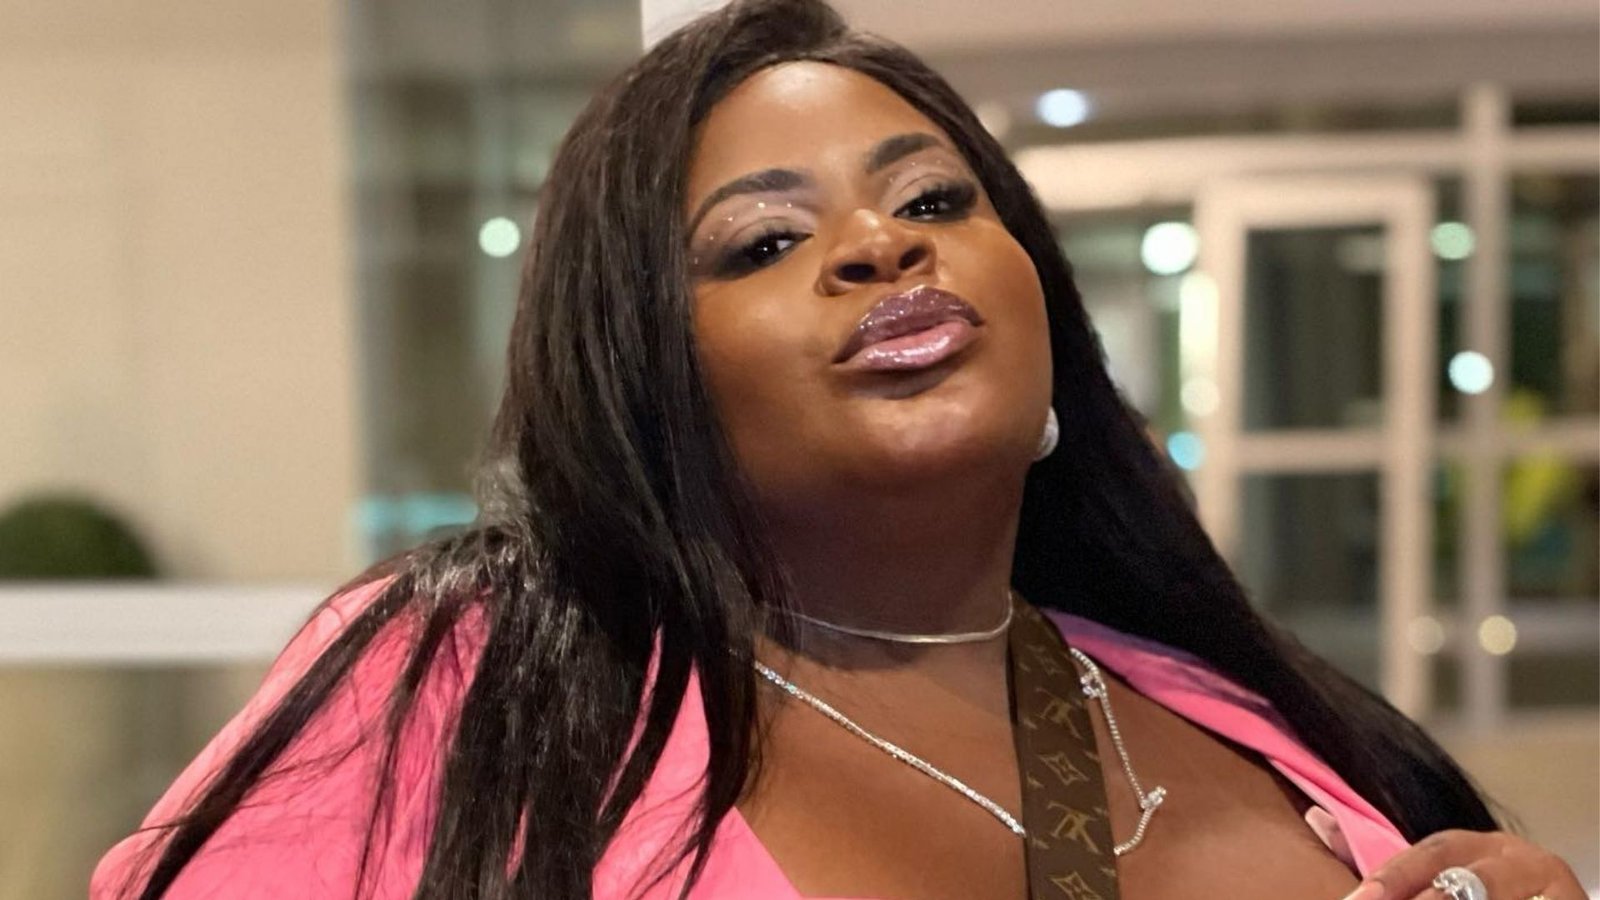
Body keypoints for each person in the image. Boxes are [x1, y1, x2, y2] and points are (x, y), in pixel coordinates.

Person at [95, 1, 1583, 898]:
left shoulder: (1237, 711)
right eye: (763, 242)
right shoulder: (484, 686)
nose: (881, 247)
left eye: (933, 202)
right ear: (645, 377)